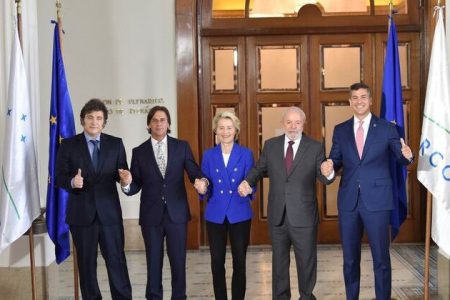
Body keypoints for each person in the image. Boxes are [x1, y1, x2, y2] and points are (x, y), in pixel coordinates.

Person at [321, 82, 413, 300]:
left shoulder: (386, 128)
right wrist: (328, 168)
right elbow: (335, 159)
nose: (359, 101)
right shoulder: (340, 130)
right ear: (350, 101)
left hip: (378, 202)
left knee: (381, 258)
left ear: (371, 100)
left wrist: (407, 155)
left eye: (363, 97)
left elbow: (400, 157)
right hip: (349, 202)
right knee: (350, 259)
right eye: (355, 97)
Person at [238, 106, 333, 300]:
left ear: (303, 124)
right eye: (289, 122)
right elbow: (259, 169)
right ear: (283, 124)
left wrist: (327, 172)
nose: (293, 126)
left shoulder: (315, 147)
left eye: (297, 122)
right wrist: (248, 182)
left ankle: (306, 297)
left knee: (306, 262)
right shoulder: (271, 145)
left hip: (304, 216)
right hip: (277, 215)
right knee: (279, 263)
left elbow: (324, 178)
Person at [119, 106, 207, 300]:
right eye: (155, 120)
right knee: (153, 262)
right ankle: (153, 296)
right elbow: (136, 185)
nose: (159, 123)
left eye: (163, 120)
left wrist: (201, 182)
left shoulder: (181, 146)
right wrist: (126, 184)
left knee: (178, 262)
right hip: (151, 216)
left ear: (168, 124)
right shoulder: (139, 151)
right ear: (149, 125)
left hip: (176, 214)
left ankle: (179, 297)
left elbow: (194, 172)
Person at [55, 98, 132, 300]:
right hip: (81, 216)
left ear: (104, 122)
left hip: (110, 216)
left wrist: (125, 180)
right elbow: (58, 177)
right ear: (82, 120)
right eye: (90, 117)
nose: (94, 122)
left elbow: (121, 173)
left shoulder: (116, 144)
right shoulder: (69, 145)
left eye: (99, 118)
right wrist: (72, 182)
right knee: (87, 266)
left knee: (117, 262)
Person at [198, 111, 255, 300]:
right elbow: (205, 182)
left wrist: (248, 188)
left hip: (239, 213)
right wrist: (202, 186)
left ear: (236, 130)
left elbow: (251, 181)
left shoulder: (246, 154)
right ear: (216, 130)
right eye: (221, 128)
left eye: (229, 128)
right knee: (216, 262)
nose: (225, 131)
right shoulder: (208, 155)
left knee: (239, 261)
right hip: (215, 214)